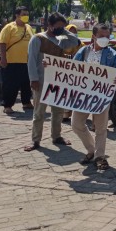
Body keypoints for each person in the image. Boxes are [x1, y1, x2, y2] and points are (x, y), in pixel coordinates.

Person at [24, 12, 81, 151]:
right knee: (39, 112)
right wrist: (34, 79)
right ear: (49, 25)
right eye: (58, 26)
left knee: (58, 111)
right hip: (41, 80)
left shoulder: (61, 39)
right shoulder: (37, 39)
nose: (60, 29)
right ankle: (36, 140)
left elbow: (76, 42)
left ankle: (56, 136)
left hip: (58, 81)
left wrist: (65, 30)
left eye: (63, 26)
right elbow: (31, 61)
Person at [71, 24, 116, 170]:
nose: (105, 39)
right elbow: (70, 69)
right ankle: (91, 150)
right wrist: (49, 66)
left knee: (101, 128)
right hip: (83, 94)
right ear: (93, 36)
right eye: (101, 36)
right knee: (76, 124)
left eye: (107, 36)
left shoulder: (112, 55)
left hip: (102, 95)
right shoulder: (83, 52)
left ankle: (99, 157)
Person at [0, 6, 34, 114]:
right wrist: (3, 59)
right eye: (23, 14)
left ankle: (26, 102)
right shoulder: (9, 27)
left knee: (26, 84)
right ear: (17, 15)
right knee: (10, 85)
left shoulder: (28, 28)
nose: (26, 16)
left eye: (27, 14)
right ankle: (7, 105)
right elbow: (2, 43)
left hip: (27, 62)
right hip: (11, 62)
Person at [62, 24, 84, 122]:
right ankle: (66, 114)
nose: (73, 34)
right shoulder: (61, 44)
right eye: (71, 32)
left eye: (75, 32)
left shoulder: (82, 45)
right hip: (64, 73)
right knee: (65, 93)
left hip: (78, 73)